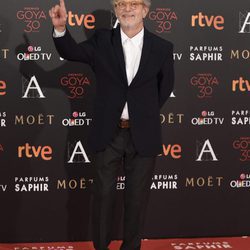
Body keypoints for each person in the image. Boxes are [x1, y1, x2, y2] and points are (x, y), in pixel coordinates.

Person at [49, 0, 174, 249]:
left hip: (143, 135)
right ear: (116, 10)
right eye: (121, 4)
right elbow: (72, 52)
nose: (127, 9)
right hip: (109, 133)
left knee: (137, 200)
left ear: (145, 10)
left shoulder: (162, 47)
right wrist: (61, 29)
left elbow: (165, 87)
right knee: (103, 197)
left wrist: (141, 114)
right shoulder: (101, 41)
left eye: (134, 4)